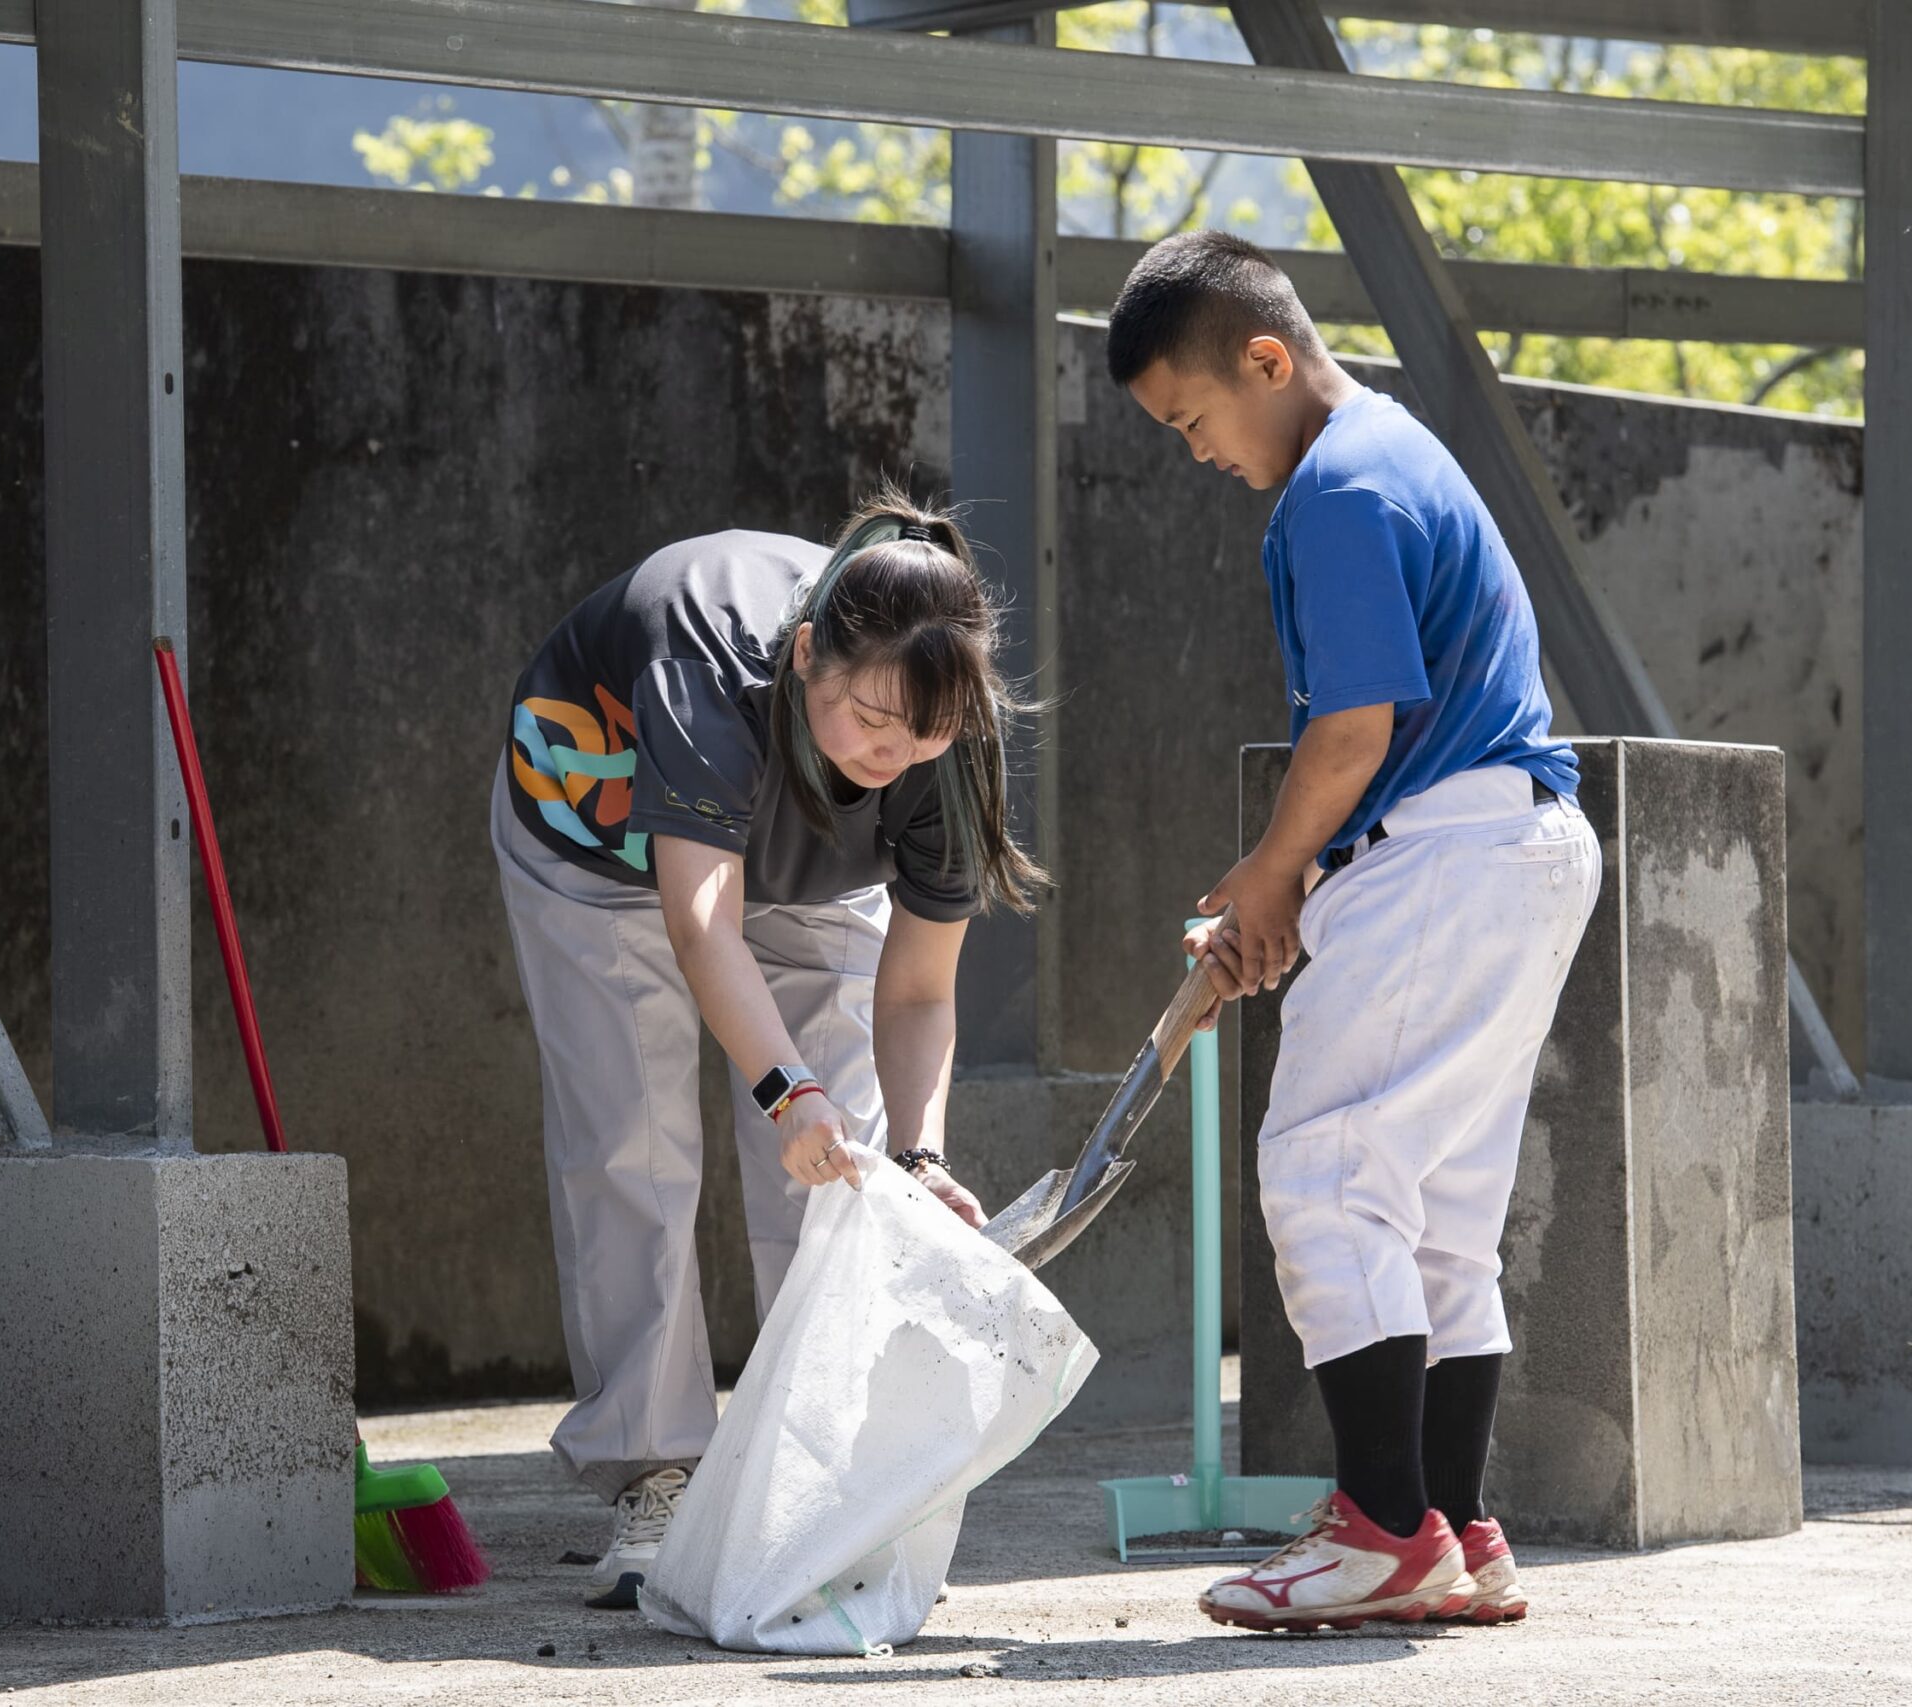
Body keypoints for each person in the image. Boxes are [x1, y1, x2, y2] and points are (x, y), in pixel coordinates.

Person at [1106, 231, 1600, 1632]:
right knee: (1436, 1215)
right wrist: (1282, 872)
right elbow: (1378, 751)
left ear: (1265, 359)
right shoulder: (1397, 449)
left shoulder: (1335, 490)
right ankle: (1452, 1532)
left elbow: (1354, 726)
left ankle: (1382, 1530)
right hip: (1507, 848)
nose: (1198, 451)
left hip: (1445, 855)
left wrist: (1276, 875)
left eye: (1194, 419)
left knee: (1327, 1178)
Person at [491, 490, 1047, 1609]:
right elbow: (699, 921)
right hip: (596, 842)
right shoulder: (712, 658)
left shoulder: (942, 732)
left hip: (814, 874)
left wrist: (923, 1157)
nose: (896, 751)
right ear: (805, 658)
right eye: (872, 723)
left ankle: (814, 1478)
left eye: (924, 732)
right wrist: (783, 1088)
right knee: (630, 1147)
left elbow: (921, 988)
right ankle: (654, 1470)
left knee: (848, 1178)